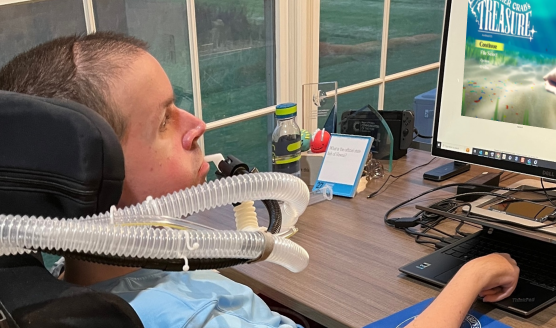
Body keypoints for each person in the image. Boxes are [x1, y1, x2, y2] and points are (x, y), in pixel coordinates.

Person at [0, 32, 519, 328]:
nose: (195, 125)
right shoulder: (185, 315)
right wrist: (473, 274)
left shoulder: (81, 275)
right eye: (163, 120)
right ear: (93, 174)